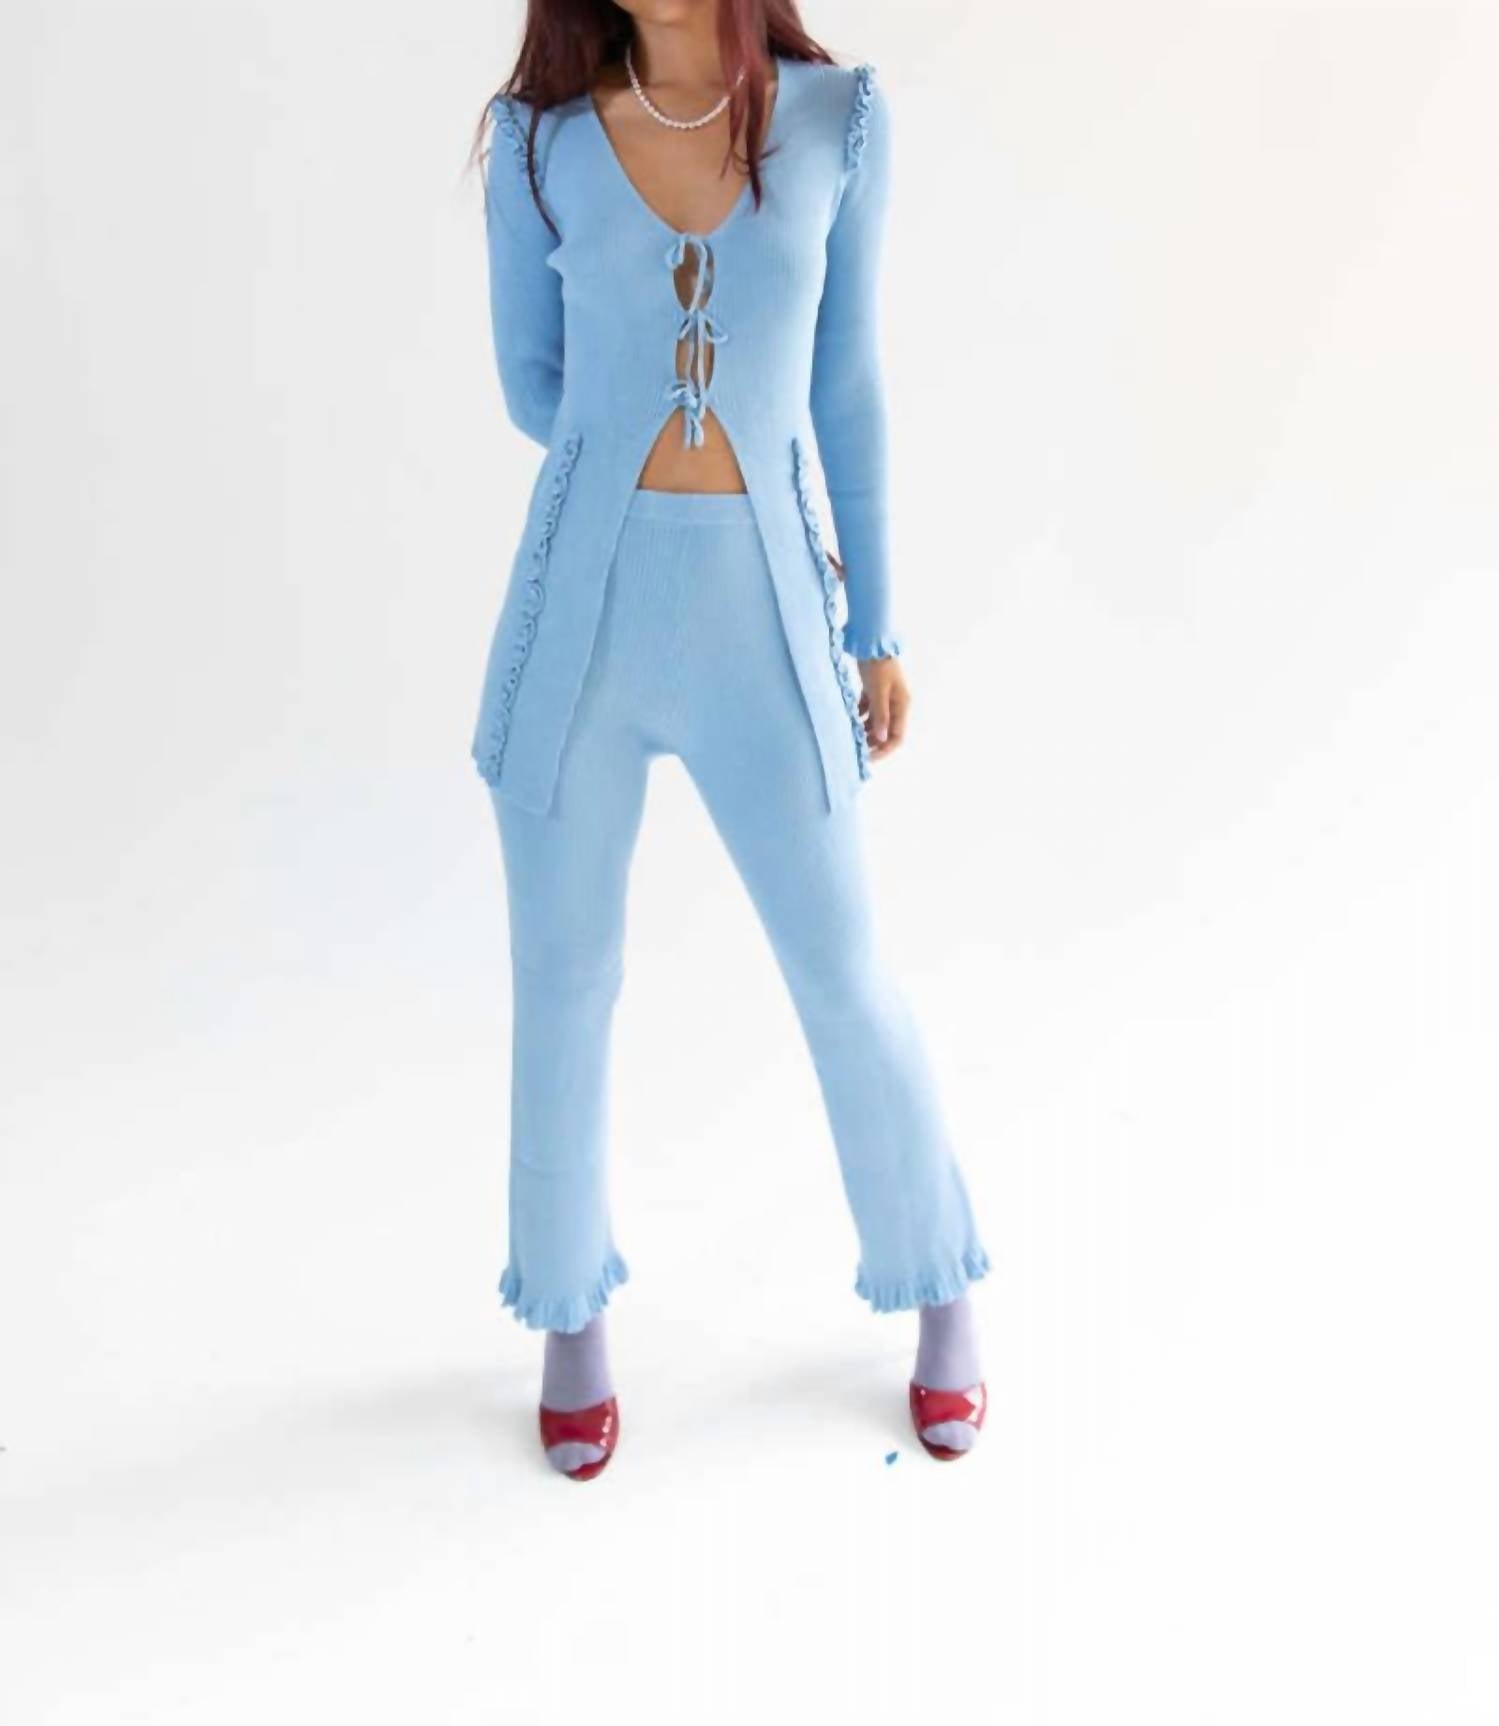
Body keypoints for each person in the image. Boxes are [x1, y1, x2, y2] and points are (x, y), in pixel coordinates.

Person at [469, 0, 991, 1480]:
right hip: (578, 629)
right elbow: (531, 384)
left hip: (767, 627)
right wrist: (636, 441)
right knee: (564, 983)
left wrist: (876, 625)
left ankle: (940, 1280)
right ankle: (569, 1314)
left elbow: (846, 388)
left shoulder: (837, 124)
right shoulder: (538, 144)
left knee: (842, 971)